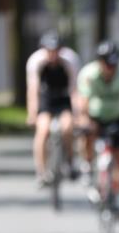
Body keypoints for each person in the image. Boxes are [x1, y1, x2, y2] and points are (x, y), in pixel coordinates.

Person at [74, 40, 119, 207]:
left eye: (114, 65)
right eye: (107, 65)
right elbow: (83, 101)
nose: (111, 69)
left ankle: (116, 195)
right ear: (99, 62)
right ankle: (87, 166)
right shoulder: (89, 74)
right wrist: (84, 121)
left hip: (117, 116)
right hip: (95, 115)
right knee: (87, 136)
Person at [26, 31, 80, 187]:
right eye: (49, 51)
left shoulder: (70, 60)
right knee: (42, 131)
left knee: (67, 127)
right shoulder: (36, 61)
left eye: (55, 50)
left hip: (64, 97)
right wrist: (32, 113)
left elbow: (74, 90)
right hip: (46, 98)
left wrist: (76, 114)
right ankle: (41, 171)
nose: (52, 55)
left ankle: (70, 161)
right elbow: (33, 89)